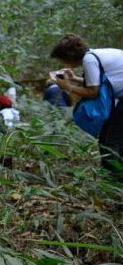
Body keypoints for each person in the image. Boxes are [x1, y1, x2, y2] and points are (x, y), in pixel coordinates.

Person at [50, 33, 123, 178]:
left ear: (70, 55)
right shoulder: (94, 55)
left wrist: (67, 86)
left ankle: (114, 181)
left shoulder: (89, 60)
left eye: (64, 59)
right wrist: (74, 78)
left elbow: (93, 92)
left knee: (109, 141)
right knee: (115, 139)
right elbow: (99, 83)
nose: (65, 63)